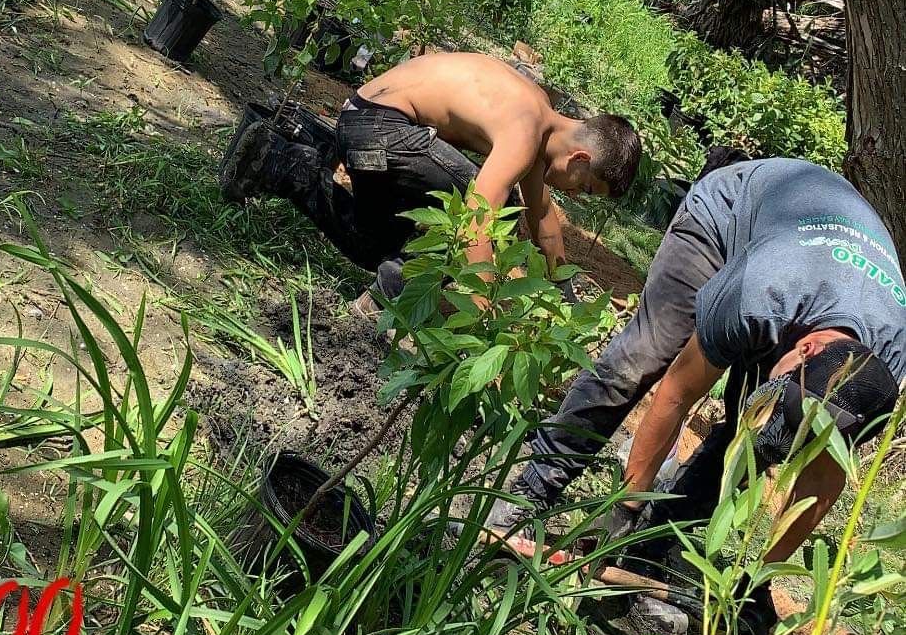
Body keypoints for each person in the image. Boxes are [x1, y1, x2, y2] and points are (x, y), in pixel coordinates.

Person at [486, 156, 905, 587]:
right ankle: (531, 491)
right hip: (727, 219)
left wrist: (757, 579)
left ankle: (654, 540)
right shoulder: (762, 294)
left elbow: (822, 480)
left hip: (807, 264)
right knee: (643, 357)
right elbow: (676, 395)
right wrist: (624, 507)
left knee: (755, 438)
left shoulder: (878, 380)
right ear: (806, 348)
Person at [220, 50, 642, 298]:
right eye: (586, 188)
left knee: (374, 245)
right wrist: (482, 308)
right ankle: (395, 291)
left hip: (364, 130)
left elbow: (543, 218)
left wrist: (562, 289)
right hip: (379, 130)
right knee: (492, 209)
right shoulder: (526, 128)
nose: (578, 195)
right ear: (581, 159)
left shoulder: (540, 121)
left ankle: (283, 160)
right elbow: (477, 217)